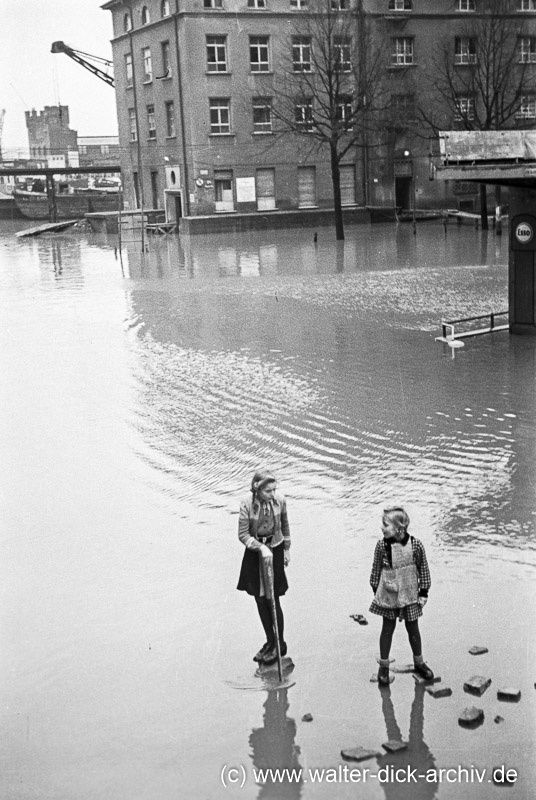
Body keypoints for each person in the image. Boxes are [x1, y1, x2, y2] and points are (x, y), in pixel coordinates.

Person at [369, 507, 433, 686]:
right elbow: (375, 570)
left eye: (385, 524)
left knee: (413, 629)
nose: (382, 528)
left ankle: (419, 663)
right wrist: (376, 590)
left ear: (399, 528)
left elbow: (424, 569)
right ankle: (383, 667)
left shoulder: (416, 545)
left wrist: (424, 592)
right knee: (387, 630)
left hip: (410, 593)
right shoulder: (382, 546)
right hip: (389, 594)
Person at [237, 469, 290, 665]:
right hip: (255, 553)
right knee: (260, 599)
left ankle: (280, 644)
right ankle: (270, 641)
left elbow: (285, 526)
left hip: (275, 549)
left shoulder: (280, 501)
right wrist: (260, 548)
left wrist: (286, 550)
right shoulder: (246, 504)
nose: (272, 494)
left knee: (272, 598)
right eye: (268, 491)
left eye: (274, 490)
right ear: (257, 490)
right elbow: (242, 535)